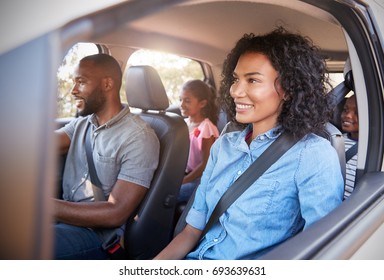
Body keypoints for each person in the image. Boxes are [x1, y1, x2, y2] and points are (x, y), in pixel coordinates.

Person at [154, 27, 344, 260]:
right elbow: (191, 231)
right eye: (235, 79)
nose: (235, 91)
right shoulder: (224, 145)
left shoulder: (312, 154)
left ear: (287, 89)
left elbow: (323, 250)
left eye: (252, 80)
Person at [54, 54, 160, 259]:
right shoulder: (82, 124)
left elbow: (115, 212)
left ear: (107, 84)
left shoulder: (139, 137)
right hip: (66, 220)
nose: (73, 91)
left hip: (98, 236)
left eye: (81, 82)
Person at [177, 80, 220, 203]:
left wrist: (184, 181)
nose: (181, 104)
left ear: (202, 103)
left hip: (200, 179)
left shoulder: (207, 128)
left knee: (170, 192)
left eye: (187, 101)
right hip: (186, 173)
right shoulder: (183, 124)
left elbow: (205, 164)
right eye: (180, 99)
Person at [340, 94, 358, 199]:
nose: (348, 116)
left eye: (357, 112)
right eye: (345, 110)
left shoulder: (376, 149)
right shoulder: (334, 139)